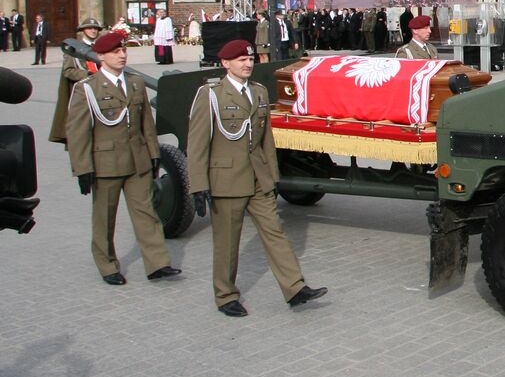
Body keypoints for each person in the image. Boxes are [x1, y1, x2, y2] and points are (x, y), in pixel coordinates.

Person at [187, 40, 327, 317]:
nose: (248, 64)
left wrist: (272, 177)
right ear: (226, 64)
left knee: (275, 232)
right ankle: (225, 295)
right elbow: (197, 144)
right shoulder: (211, 95)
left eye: (250, 59)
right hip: (225, 180)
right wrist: (199, 185)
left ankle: (295, 288)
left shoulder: (259, 92)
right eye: (240, 60)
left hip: (257, 179)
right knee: (227, 242)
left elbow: (266, 142)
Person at [64, 32, 180, 286]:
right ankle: (107, 265)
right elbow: (78, 133)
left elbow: (146, 125)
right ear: (101, 56)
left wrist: (153, 154)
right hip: (105, 164)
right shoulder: (87, 88)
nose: (122, 55)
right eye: (116, 52)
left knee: (146, 212)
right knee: (105, 217)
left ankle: (157, 263)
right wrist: (82, 169)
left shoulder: (135, 83)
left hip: (137, 159)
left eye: (123, 50)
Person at [49, 17, 103, 144]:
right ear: (83, 30)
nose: (93, 31)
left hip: (102, 89)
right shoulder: (73, 48)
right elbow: (68, 70)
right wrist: (88, 74)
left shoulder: (102, 47)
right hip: (83, 90)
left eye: (95, 28)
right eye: (90, 28)